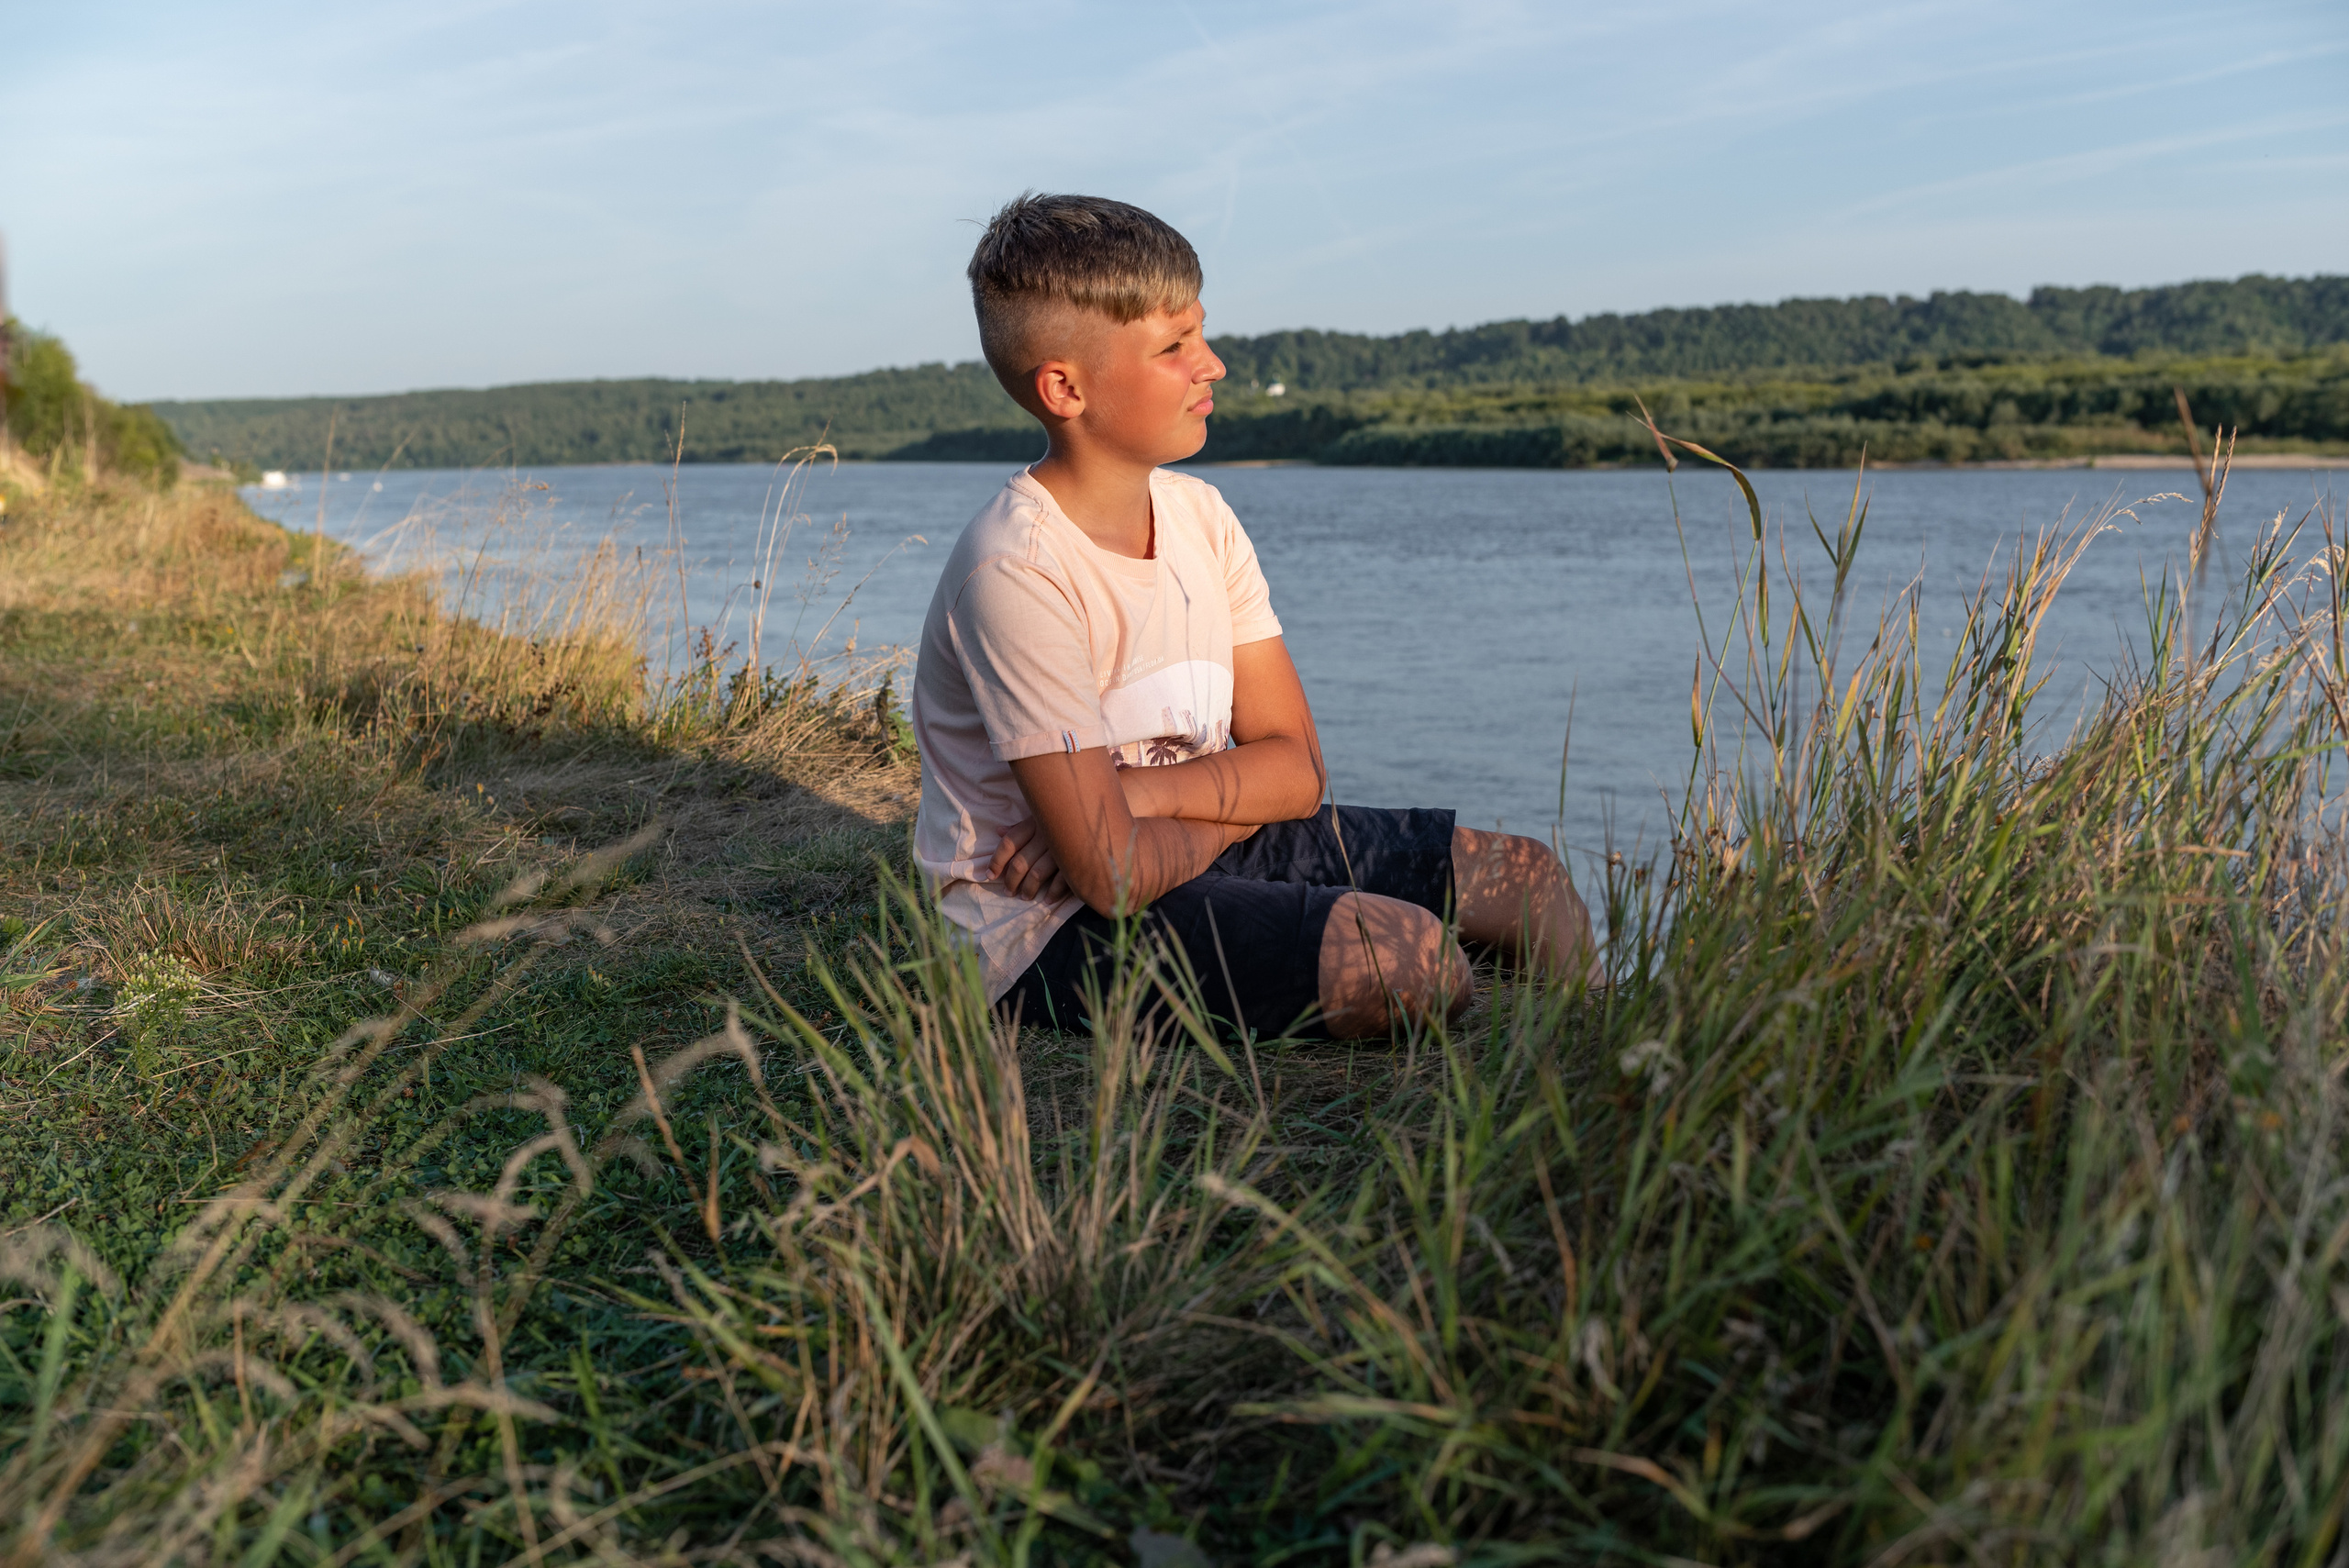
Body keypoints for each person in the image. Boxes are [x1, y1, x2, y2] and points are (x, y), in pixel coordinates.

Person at [909, 193, 1596, 1040]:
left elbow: (1299, 767)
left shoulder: (1203, 517)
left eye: (1200, 333)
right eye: (1175, 346)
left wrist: (1142, 801)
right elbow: (1112, 879)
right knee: (1408, 960)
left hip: (1174, 842)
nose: (1214, 364)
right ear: (1064, 387)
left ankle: (1597, 1058)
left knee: (1528, 876)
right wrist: (1154, 826)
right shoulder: (1016, 569)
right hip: (1042, 928)